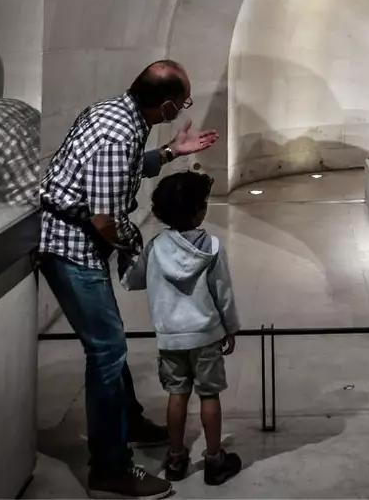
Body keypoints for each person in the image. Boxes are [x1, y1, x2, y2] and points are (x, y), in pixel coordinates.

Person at [39, 60, 218, 499]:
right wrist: (139, 249)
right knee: (107, 351)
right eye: (185, 102)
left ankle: (129, 420)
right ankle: (110, 466)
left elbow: (124, 169)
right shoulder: (119, 133)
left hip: (78, 238)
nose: (184, 108)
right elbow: (103, 219)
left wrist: (173, 152)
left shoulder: (115, 112)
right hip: (70, 244)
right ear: (169, 104)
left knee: (110, 342)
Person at [123, 171, 242, 486]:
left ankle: (176, 458)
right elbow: (223, 294)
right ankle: (214, 460)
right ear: (200, 210)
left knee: (177, 395)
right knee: (209, 396)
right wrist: (231, 328)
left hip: (170, 339)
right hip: (206, 336)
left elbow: (133, 280)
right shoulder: (212, 247)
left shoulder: (156, 247)